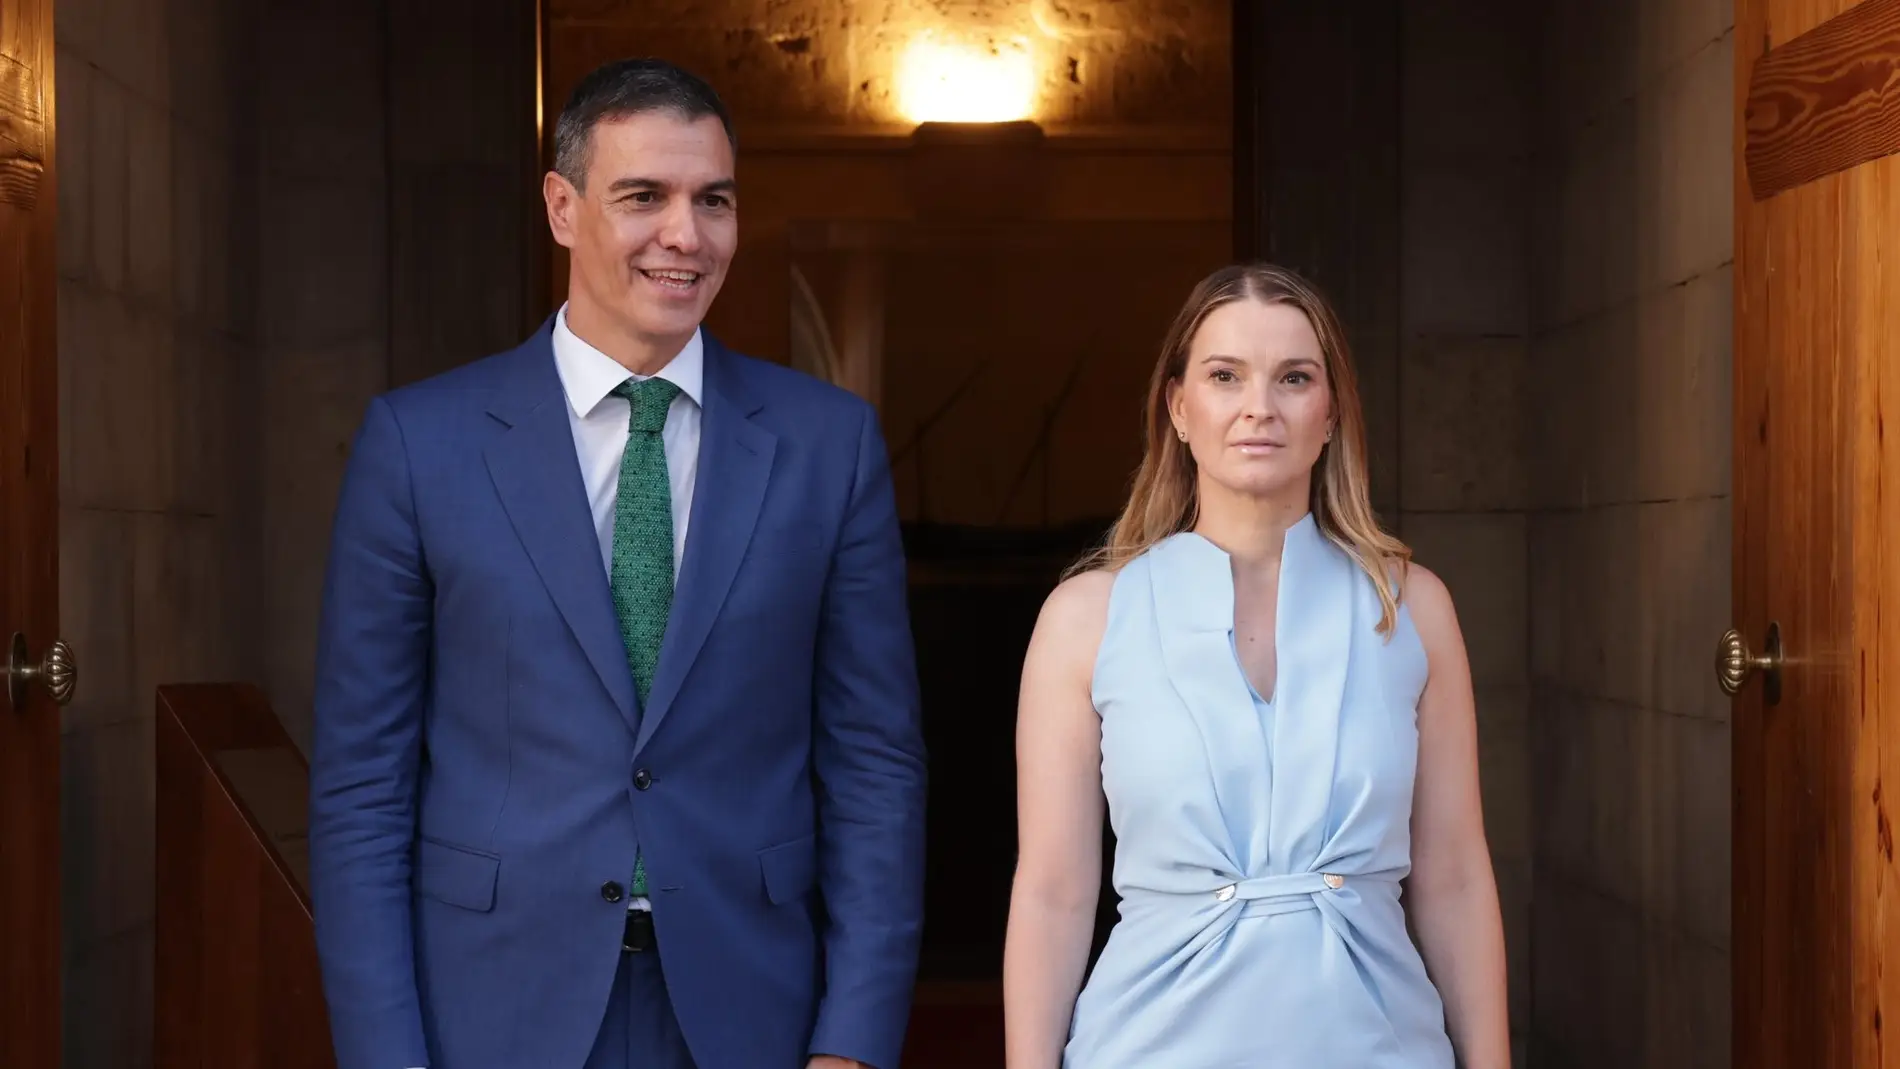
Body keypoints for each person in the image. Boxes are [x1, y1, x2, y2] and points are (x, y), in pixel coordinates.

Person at [307, 58, 927, 1069]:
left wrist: (852, 1039)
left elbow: (874, 767)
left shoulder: (829, 446)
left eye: (713, 201)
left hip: (750, 1009)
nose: (685, 235)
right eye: (644, 196)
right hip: (494, 1008)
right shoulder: (420, 444)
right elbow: (362, 787)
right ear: (562, 207)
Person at [1001, 263, 1511, 1067]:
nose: (1258, 408)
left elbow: (1452, 877)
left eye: (1294, 378)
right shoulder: (1086, 618)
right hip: (1147, 1045)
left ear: (1332, 411)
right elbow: (1054, 890)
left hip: (1379, 1046)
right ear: (1178, 407)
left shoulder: (1413, 608)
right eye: (1225, 375)